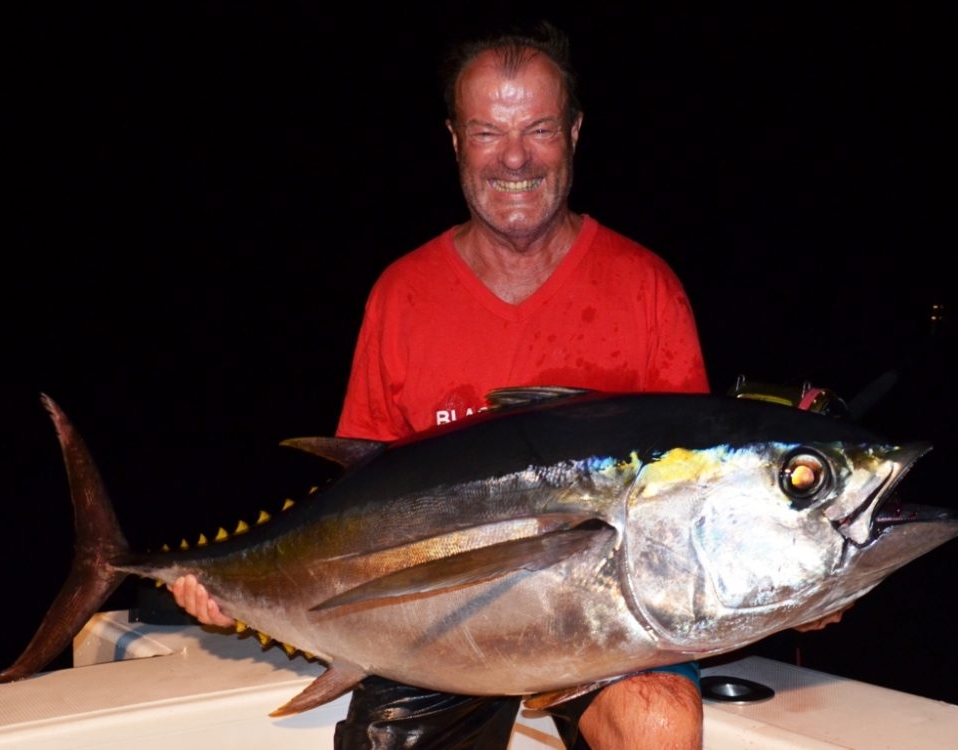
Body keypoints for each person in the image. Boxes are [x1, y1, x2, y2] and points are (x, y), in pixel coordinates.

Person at [173, 21, 732, 749]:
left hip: (608, 634)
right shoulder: (403, 295)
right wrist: (237, 589)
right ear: (454, 141)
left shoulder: (646, 288)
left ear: (574, 133)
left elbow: (697, 509)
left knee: (660, 725)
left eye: (538, 129)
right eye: (487, 133)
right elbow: (357, 504)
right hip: (433, 638)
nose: (515, 158)